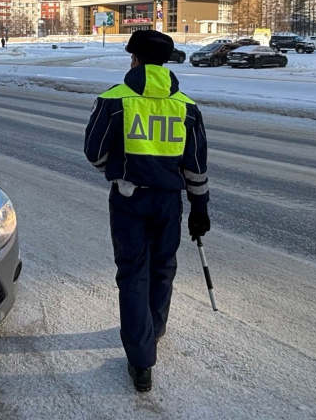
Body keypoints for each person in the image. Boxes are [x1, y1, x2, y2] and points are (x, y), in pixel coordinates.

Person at [83, 30, 209, 393]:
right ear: (165, 63)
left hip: (129, 198)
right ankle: (155, 327)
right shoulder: (187, 106)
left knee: (133, 273)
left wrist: (122, 169)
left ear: (134, 59)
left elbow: (95, 154)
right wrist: (199, 208)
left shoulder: (114, 100)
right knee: (163, 266)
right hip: (170, 201)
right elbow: (196, 166)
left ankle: (141, 360)